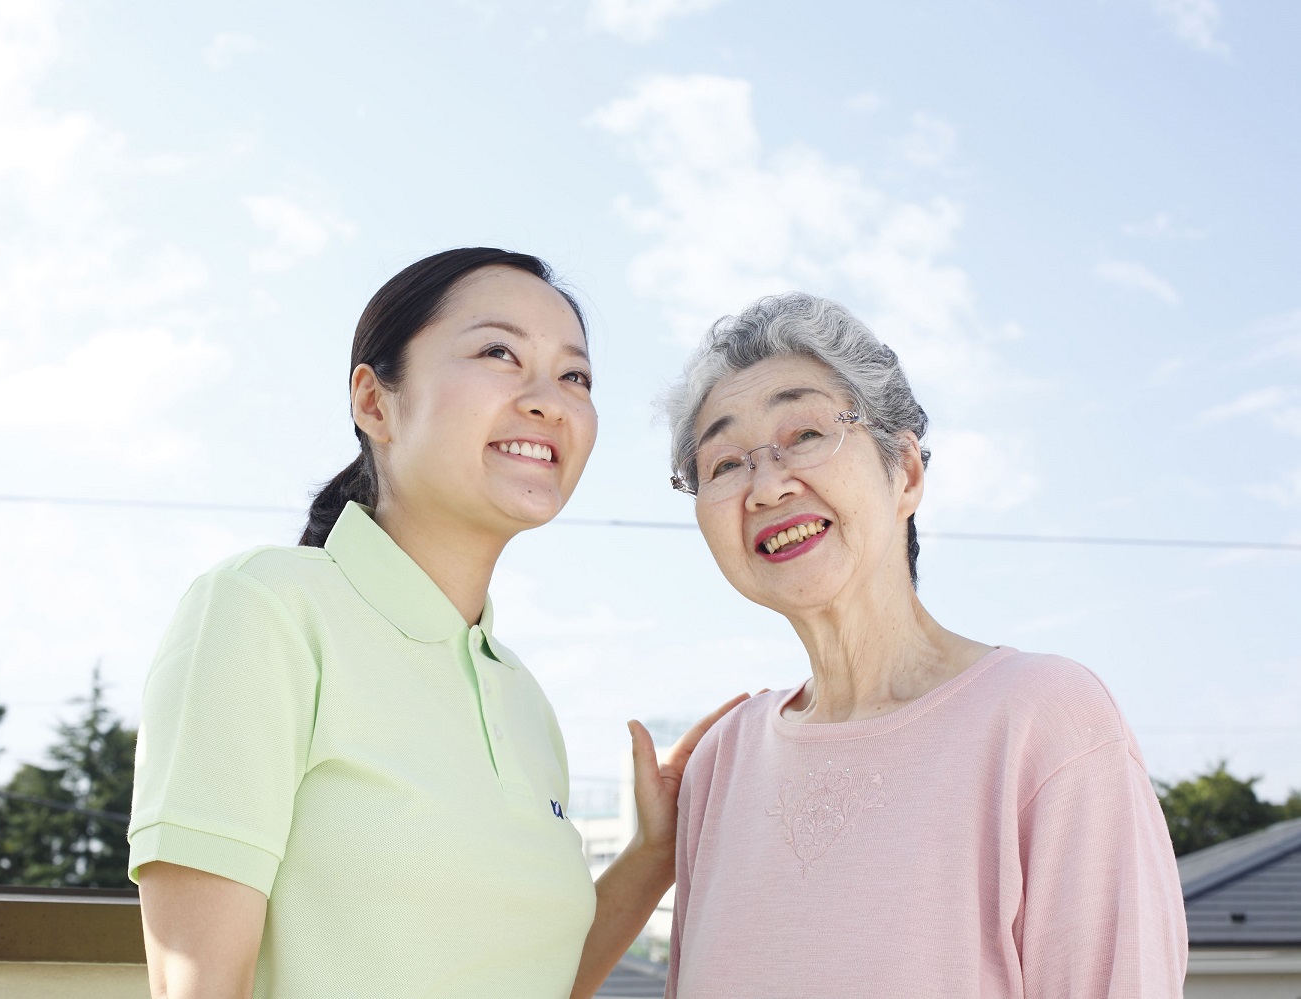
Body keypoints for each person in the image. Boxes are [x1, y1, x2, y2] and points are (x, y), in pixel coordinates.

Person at [128, 247, 743, 999]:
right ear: (374, 402)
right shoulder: (263, 609)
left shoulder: (523, 698)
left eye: (574, 375)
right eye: (498, 352)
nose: (548, 398)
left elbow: (539, 981)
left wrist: (653, 850)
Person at [659, 293, 1187, 998]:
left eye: (807, 433)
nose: (766, 484)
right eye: (723, 463)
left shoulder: (1047, 720)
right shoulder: (717, 766)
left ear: (904, 472)